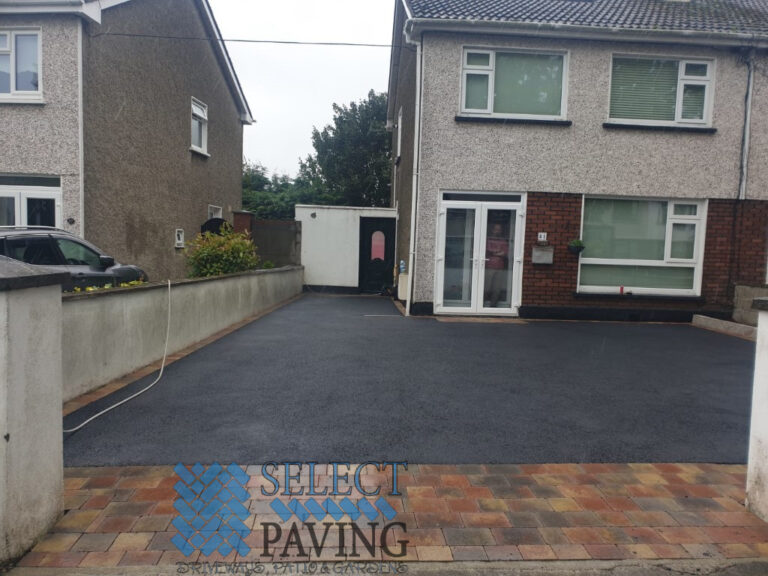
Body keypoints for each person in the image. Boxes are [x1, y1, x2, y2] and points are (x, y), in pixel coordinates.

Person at [485, 223, 508, 307]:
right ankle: (481, 305)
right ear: (492, 230)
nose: (497, 231)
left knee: (497, 289)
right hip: (489, 267)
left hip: (500, 267)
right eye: (496, 229)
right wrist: (498, 252)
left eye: (499, 229)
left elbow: (504, 253)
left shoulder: (503, 241)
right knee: (486, 288)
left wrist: (495, 252)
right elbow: (489, 250)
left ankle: (493, 307)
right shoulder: (488, 240)